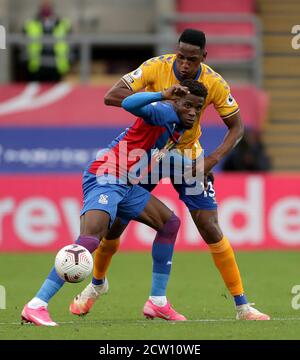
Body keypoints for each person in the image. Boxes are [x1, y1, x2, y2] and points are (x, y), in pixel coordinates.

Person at [70, 29, 270, 321]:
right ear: (175, 53)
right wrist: (156, 104)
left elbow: (237, 127)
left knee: (210, 227)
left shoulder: (213, 82)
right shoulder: (156, 67)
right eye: (181, 57)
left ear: (204, 57)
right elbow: (113, 96)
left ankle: (242, 306)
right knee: (116, 224)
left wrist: (211, 160)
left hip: (188, 158)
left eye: (192, 59)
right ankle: (96, 285)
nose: (185, 65)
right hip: (150, 154)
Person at [21, 80, 208, 326]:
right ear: (176, 101)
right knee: (89, 241)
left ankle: (158, 302)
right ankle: (37, 305)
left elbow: (157, 155)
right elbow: (129, 102)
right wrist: (162, 94)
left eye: (198, 107)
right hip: (107, 176)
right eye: (187, 105)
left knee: (169, 223)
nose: (193, 112)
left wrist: (195, 167)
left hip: (126, 184)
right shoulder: (164, 111)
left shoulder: (179, 125)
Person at [22, 0, 71, 82]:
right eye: (44, 5)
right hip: (36, 66)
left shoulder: (63, 24)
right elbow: (22, 43)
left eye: (48, 5)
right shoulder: (30, 23)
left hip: (57, 66)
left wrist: (69, 59)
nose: (46, 8)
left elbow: (71, 43)